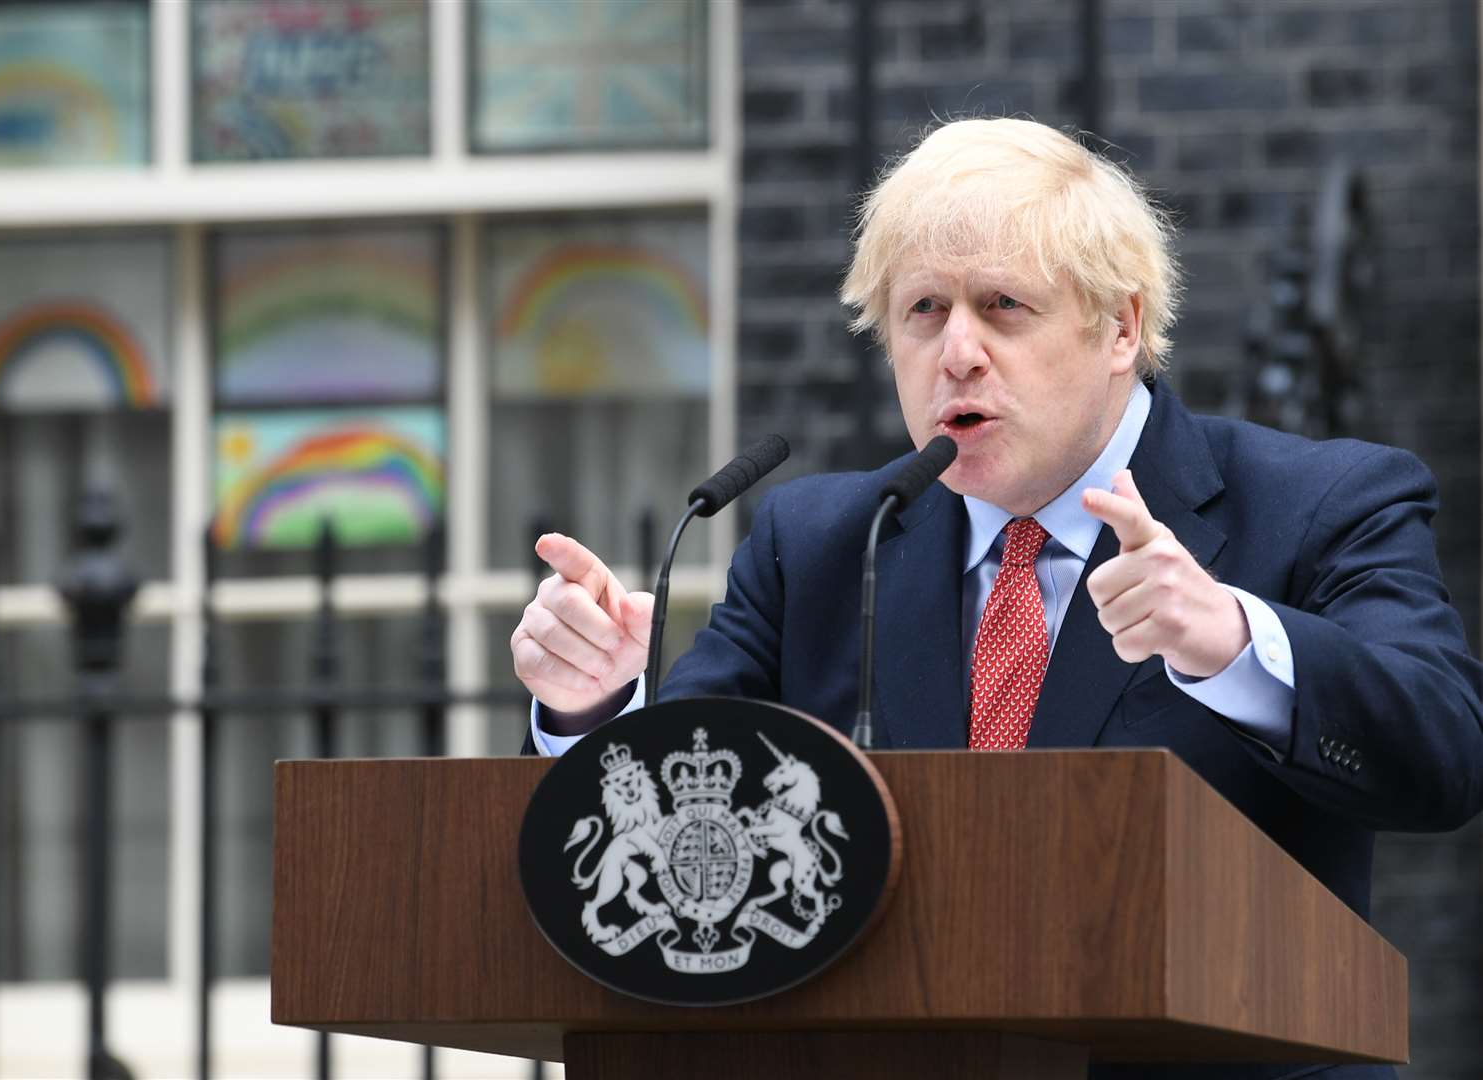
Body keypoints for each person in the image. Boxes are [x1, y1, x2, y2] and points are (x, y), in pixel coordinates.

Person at [509, 117, 1482, 1080]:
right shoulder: (819, 545)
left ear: (1121, 328)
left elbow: (1443, 755)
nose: (957, 352)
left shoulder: (1317, 504)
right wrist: (592, 707)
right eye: (923, 310)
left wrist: (1230, 641)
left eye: (1004, 306)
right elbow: (678, 831)